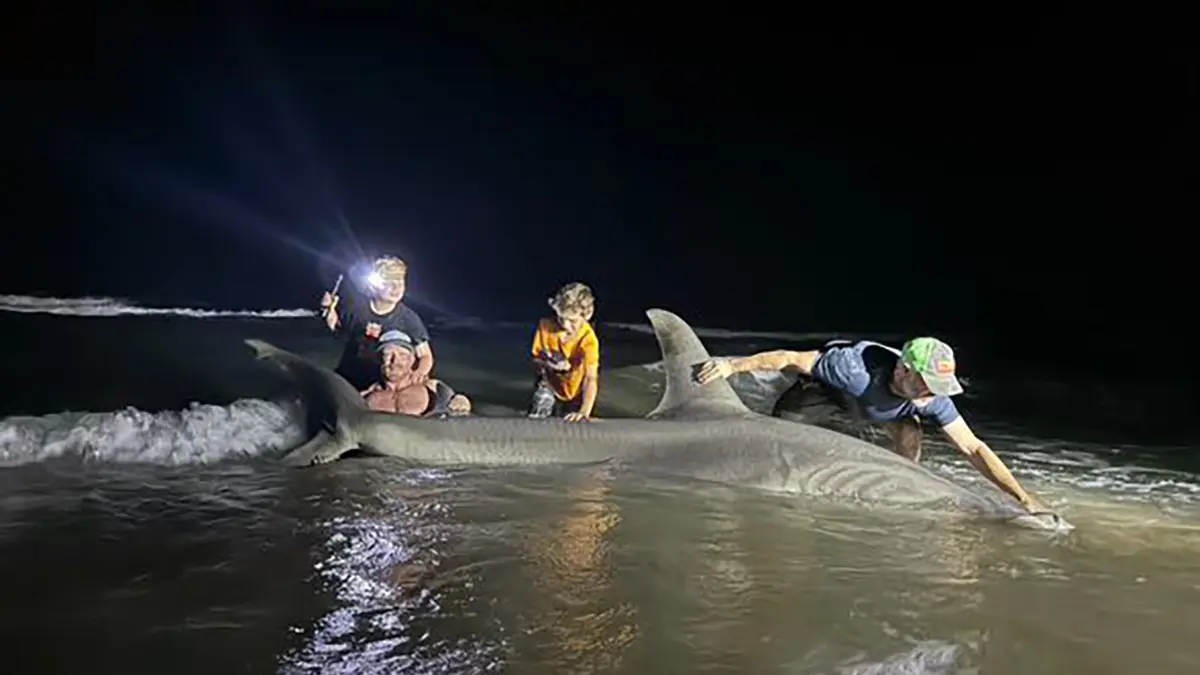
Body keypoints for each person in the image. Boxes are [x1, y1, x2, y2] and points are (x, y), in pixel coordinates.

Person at [695, 337, 1052, 515]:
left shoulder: (932, 398)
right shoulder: (851, 368)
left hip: (885, 410)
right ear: (902, 370)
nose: (934, 395)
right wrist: (732, 366)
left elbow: (973, 447)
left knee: (911, 433)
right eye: (927, 384)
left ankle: (895, 478)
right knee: (776, 442)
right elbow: (790, 360)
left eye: (939, 388)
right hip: (826, 395)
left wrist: (1021, 497)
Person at [320, 256, 434, 392]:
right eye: (389, 283)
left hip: (381, 385)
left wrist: (420, 373)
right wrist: (328, 309)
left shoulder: (409, 319)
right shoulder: (357, 309)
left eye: (400, 282)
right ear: (373, 287)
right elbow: (336, 327)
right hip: (349, 377)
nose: (396, 288)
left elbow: (425, 356)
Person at [527, 282, 600, 422]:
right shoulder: (545, 326)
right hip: (549, 383)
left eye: (572, 321)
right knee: (535, 421)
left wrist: (584, 412)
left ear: (587, 315)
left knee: (574, 424)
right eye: (561, 318)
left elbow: (590, 378)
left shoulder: (588, 340)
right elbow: (535, 358)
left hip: (575, 390)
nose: (565, 325)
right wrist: (549, 364)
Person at [362, 330, 471, 417]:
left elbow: (459, 406)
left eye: (402, 355)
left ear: (412, 360)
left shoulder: (434, 389)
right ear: (379, 360)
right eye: (387, 355)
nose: (394, 361)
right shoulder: (365, 397)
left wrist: (462, 401)